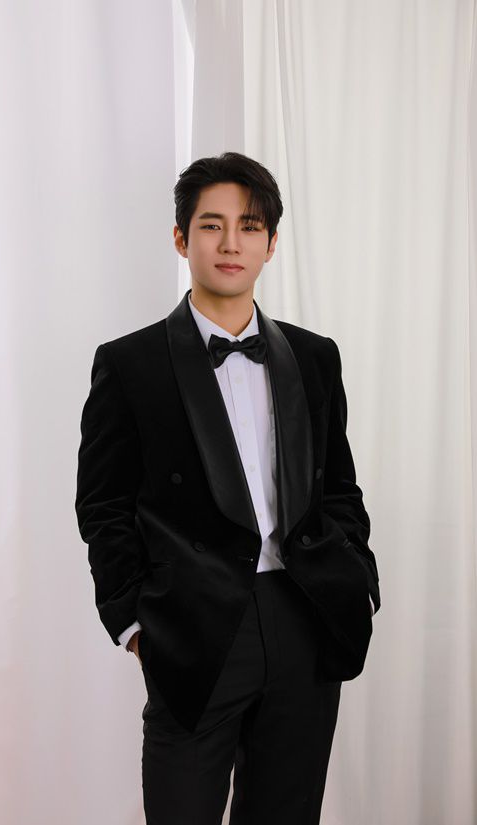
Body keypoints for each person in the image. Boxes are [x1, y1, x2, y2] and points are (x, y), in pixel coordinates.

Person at [75, 151, 381, 825]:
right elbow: (103, 506)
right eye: (211, 225)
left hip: (304, 614)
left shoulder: (315, 355)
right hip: (193, 625)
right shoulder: (130, 363)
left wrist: (356, 576)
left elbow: (338, 487)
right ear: (181, 238)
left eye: (249, 226)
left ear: (271, 243)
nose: (231, 242)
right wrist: (135, 624)